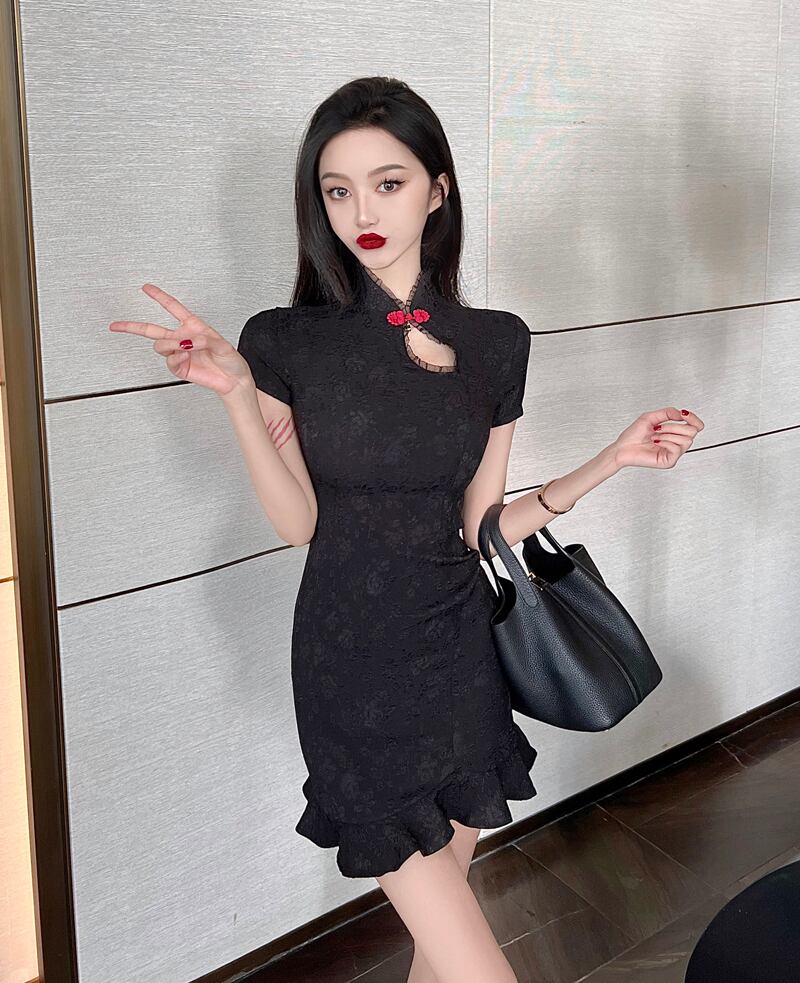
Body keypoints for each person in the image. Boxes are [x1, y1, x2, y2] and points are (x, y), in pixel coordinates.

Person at [109, 76, 703, 983]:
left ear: (437, 190)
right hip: (351, 661)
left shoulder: (497, 341)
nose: (362, 212)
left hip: (459, 655)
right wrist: (236, 395)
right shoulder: (284, 340)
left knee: (441, 950)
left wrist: (608, 461)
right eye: (337, 190)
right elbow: (300, 523)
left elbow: (479, 526)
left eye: (388, 183)